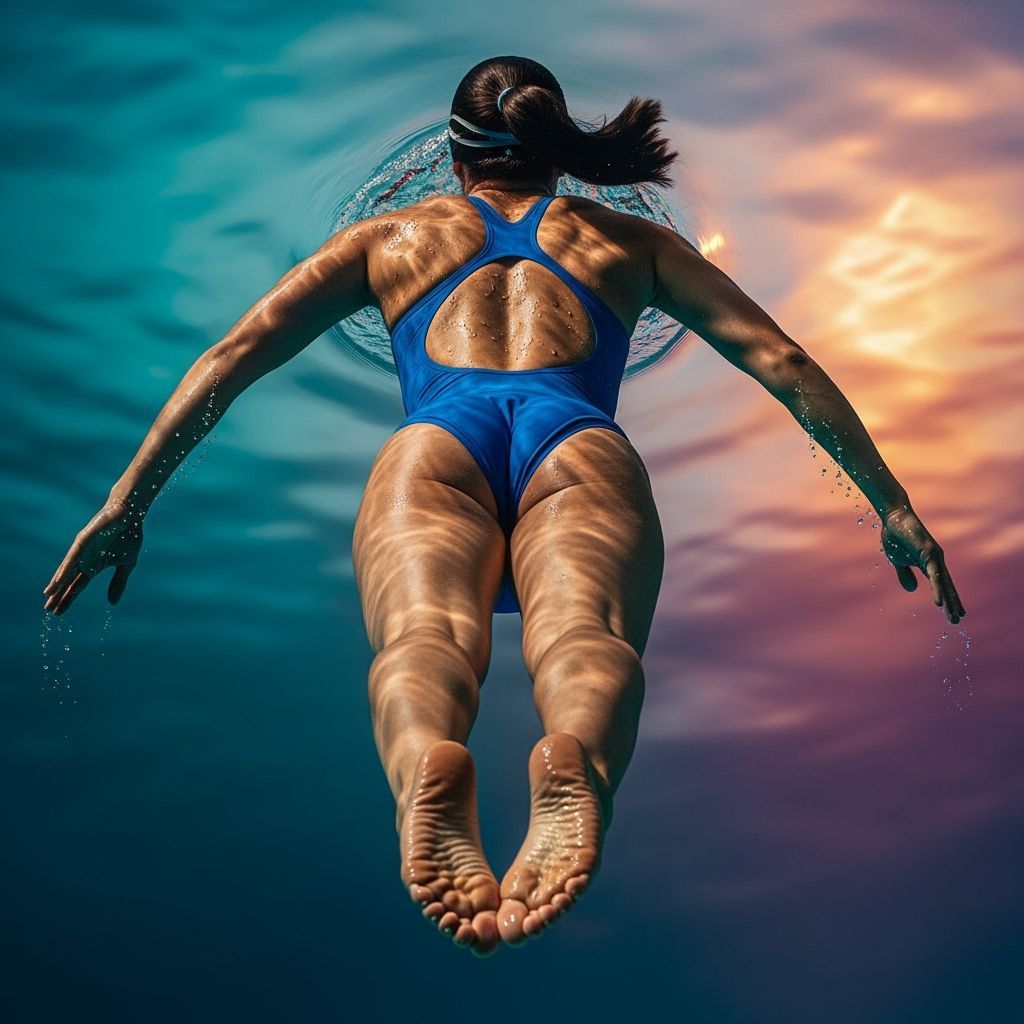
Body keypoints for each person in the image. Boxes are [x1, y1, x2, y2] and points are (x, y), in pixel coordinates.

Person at [42, 56, 965, 957]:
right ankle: (582, 774)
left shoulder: (388, 238)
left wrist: (129, 502)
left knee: (422, 642)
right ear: (557, 151)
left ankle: (423, 779)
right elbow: (784, 363)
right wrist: (893, 505)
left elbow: (232, 357)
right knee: (584, 641)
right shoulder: (631, 241)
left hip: (435, 446)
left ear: (454, 157)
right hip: (579, 446)